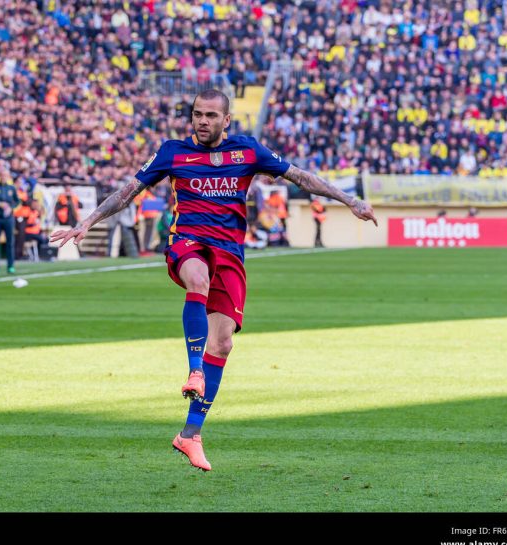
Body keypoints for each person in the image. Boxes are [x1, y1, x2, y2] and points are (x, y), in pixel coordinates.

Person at [51, 89, 377, 471]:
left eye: (209, 115)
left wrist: (349, 200)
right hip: (187, 243)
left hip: (230, 253)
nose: (202, 121)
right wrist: (87, 221)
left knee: (221, 344)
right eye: (196, 114)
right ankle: (194, 370)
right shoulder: (173, 152)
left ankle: (190, 435)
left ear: (226, 121)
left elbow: (301, 177)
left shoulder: (248, 152)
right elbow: (129, 191)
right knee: (198, 281)